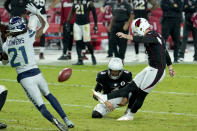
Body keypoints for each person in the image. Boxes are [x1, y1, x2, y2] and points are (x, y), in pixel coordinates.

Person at [1, 4, 74, 131]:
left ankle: (55, 121)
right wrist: (38, 14)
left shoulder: (6, 45)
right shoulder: (27, 36)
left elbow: (6, 62)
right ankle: (66, 119)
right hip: (36, 73)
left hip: (24, 77)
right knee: (49, 95)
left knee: (41, 106)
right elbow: (45, 26)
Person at [93, 18, 175, 121]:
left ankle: (130, 115)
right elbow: (165, 51)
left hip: (157, 71)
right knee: (131, 86)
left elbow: (145, 39)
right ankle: (106, 97)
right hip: (151, 68)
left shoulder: (152, 35)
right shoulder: (156, 35)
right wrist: (170, 67)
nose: (137, 34)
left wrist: (126, 36)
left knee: (141, 94)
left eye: (136, 31)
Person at [67, 0, 98, 65]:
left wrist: (95, 24)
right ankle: (80, 60)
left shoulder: (89, 2)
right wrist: (68, 22)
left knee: (87, 42)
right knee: (78, 42)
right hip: (77, 24)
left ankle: (92, 56)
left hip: (85, 24)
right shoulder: (75, 1)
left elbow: (94, 13)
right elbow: (72, 11)